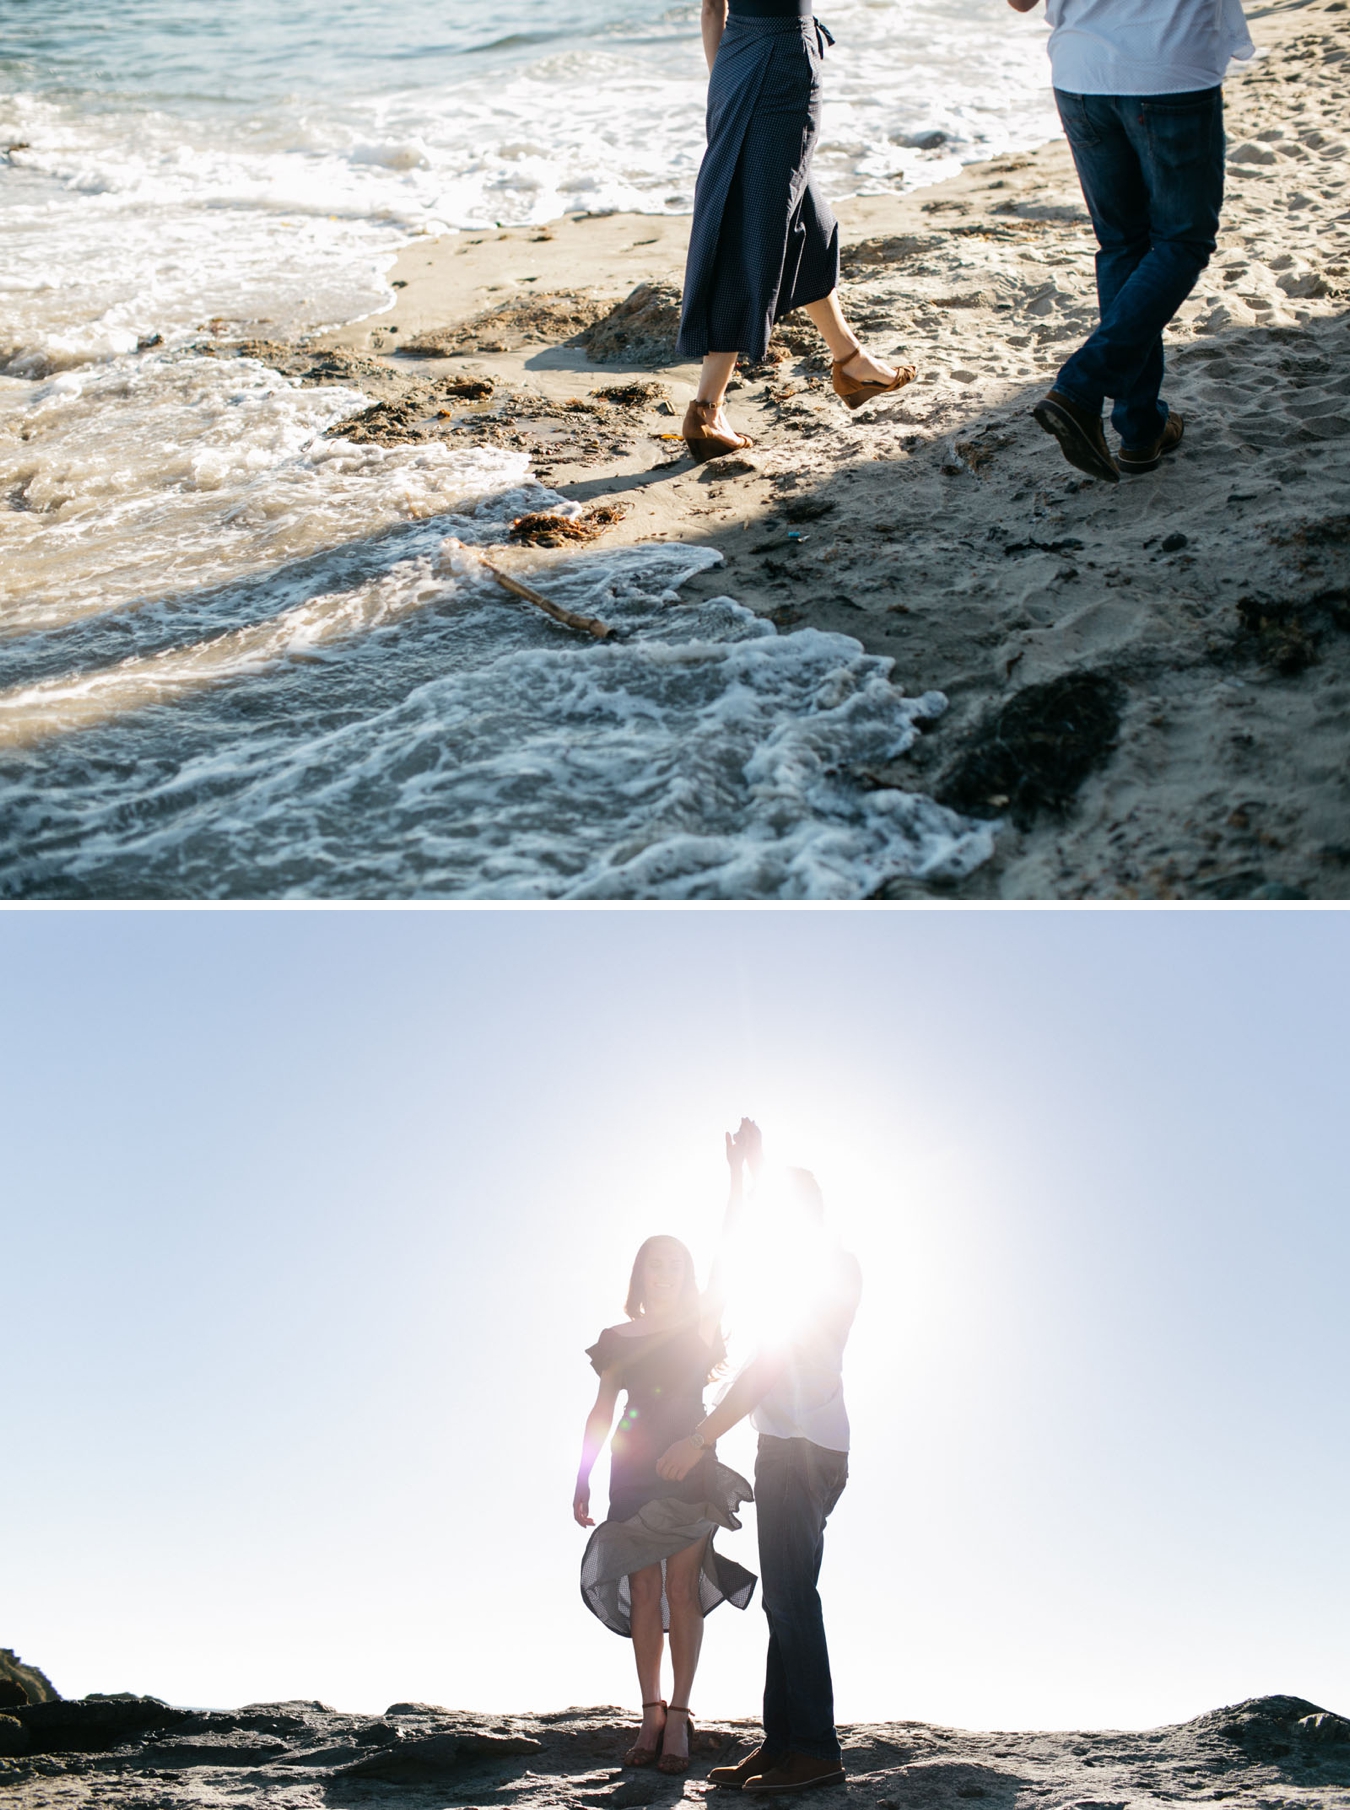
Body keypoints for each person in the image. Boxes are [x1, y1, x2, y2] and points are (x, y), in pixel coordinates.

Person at [657, 1159, 861, 1797]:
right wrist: (743, 1172)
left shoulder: (810, 1271)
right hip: (820, 1450)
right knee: (786, 1594)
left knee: (792, 1597)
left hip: (795, 1452)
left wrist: (699, 1439)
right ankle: (783, 1743)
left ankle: (815, 1750)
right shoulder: (829, 1263)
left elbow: (766, 1368)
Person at [574, 1122, 762, 1773]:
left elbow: (731, 1250)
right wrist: (581, 1480)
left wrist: (740, 1177)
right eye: (657, 1262)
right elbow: (603, 1412)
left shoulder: (703, 1320)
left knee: (682, 1588)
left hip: (688, 1464)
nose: (668, 1272)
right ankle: (648, 1713)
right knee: (644, 1591)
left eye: (678, 1265)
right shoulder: (615, 1337)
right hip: (629, 1472)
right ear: (640, 1272)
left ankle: (679, 1716)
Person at [1010, 0, 1254, 481]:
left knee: (1123, 245)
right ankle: (1082, 384)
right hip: (1170, 68)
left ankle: (1141, 430)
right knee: (1182, 243)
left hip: (1082, 73)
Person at [674, 0, 915, 461]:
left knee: (805, 219)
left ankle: (851, 360)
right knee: (756, 226)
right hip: (782, 60)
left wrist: (726, 78)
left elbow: (711, 8)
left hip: (734, 60)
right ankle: (706, 409)